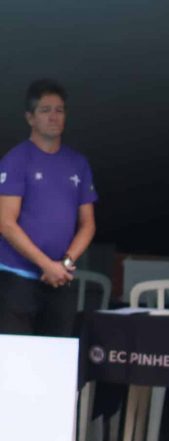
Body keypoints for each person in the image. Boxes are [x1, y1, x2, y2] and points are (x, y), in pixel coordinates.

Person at [0, 79, 97, 336]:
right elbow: (6, 223)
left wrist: (64, 263)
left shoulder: (78, 163)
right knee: (16, 363)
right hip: (17, 278)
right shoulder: (16, 160)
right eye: (45, 110)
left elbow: (88, 223)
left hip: (59, 279)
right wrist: (46, 265)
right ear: (30, 118)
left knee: (57, 363)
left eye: (59, 110)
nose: (54, 117)